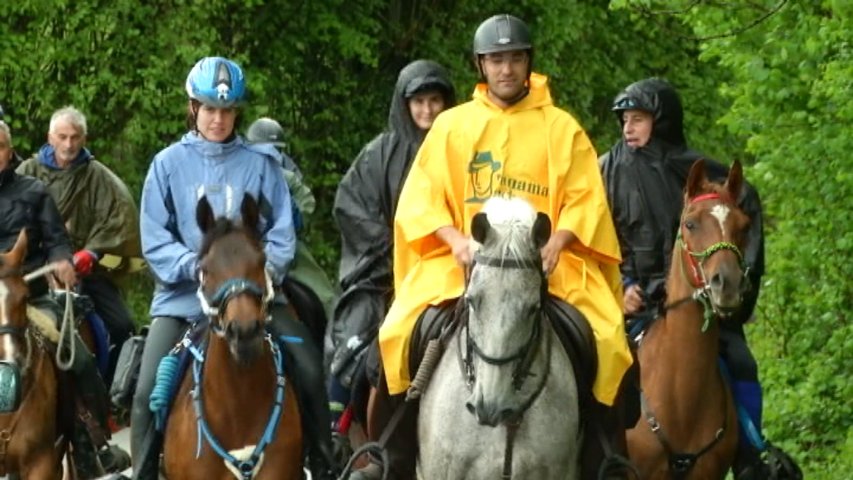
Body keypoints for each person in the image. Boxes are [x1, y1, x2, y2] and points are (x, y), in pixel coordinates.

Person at [351, 15, 633, 480]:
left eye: (515, 59)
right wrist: (455, 241)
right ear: (481, 65)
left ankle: (605, 457)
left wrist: (560, 240)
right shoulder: (451, 126)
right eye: (497, 60)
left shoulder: (562, 129)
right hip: (461, 264)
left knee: (603, 338)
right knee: (401, 333)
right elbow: (421, 198)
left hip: (548, 265)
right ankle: (390, 455)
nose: (507, 69)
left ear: (528, 64)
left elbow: (586, 198)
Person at [132, 56, 336, 479]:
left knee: (310, 369)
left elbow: (282, 230)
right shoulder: (166, 165)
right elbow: (154, 236)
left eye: (226, 111)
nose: (218, 119)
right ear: (193, 108)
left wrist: (264, 273)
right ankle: (145, 470)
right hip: (185, 297)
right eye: (209, 109)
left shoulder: (262, 164)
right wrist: (198, 269)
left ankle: (322, 461)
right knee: (147, 387)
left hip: (254, 295)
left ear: (237, 112)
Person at [599, 77, 800, 479]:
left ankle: (751, 455)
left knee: (740, 361)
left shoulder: (700, 170)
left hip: (698, 296)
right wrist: (621, 287)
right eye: (624, 120)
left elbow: (740, 210)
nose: (628, 129)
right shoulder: (606, 170)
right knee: (590, 363)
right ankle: (589, 455)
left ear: (663, 121)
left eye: (638, 119)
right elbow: (596, 236)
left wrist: (731, 280)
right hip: (632, 299)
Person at [327, 59, 455, 429]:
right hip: (385, 275)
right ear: (404, 104)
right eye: (419, 102)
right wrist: (394, 246)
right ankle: (335, 428)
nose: (427, 110)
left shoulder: (462, 151)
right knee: (351, 339)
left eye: (434, 101)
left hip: (449, 271)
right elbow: (350, 207)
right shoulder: (377, 154)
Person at [0, 118, 130, 477]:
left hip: (31, 298)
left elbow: (57, 239)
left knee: (76, 355)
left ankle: (93, 441)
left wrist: (61, 260)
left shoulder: (34, 191)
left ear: (9, 151)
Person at [17, 106, 142, 386]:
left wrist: (92, 252)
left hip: (87, 271)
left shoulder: (99, 177)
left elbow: (119, 220)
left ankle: (111, 393)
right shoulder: (28, 171)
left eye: (75, 137)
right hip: (35, 268)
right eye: (62, 137)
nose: (68, 144)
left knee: (123, 326)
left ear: (84, 139)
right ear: (50, 138)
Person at [245, 116, 338, 350]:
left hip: (290, 250)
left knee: (325, 296)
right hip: (248, 249)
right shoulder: (239, 177)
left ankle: (332, 349)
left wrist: (294, 213)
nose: (269, 156)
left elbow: (308, 204)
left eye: (275, 151)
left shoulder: (288, 178)